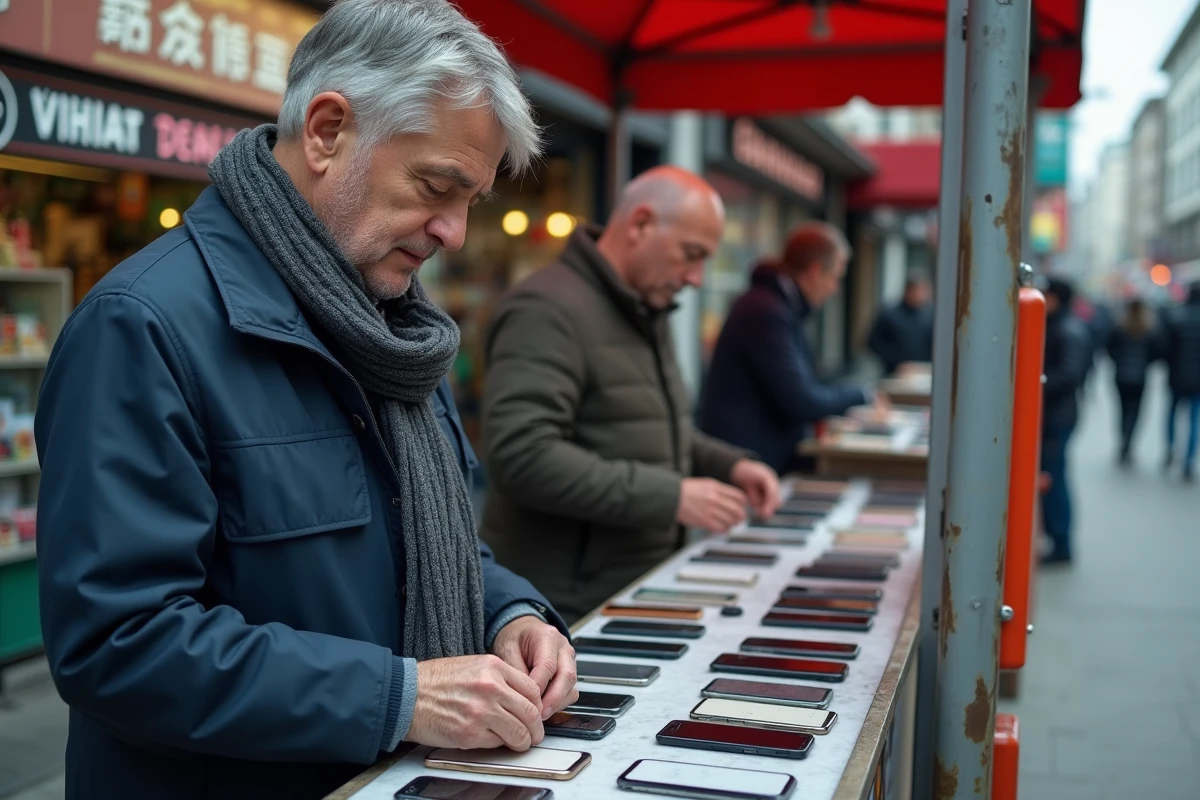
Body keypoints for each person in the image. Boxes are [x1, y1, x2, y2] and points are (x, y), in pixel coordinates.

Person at [34, 3, 577, 798]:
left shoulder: (400, 332)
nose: (454, 232)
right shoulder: (143, 326)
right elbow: (118, 642)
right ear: (326, 131)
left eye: (473, 201)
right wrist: (399, 698)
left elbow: (425, 543)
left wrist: (511, 616)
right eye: (437, 185)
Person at [479, 166, 781, 623]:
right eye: (691, 254)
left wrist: (730, 465)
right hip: (563, 609)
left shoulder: (643, 304)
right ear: (640, 224)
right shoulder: (546, 308)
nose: (697, 277)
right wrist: (673, 496)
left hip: (629, 589)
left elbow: (650, 428)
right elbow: (521, 454)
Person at [699, 221, 886, 476]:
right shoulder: (766, 311)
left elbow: (804, 385)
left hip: (756, 460)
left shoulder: (776, 305)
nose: (835, 289)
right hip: (748, 467)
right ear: (815, 271)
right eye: (835, 277)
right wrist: (862, 396)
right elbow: (800, 399)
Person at [1040, 277, 1092, 564]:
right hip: (1056, 414)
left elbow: (1069, 376)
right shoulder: (1062, 325)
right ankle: (1057, 539)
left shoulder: (1067, 330)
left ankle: (1061, 543)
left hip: (1057, 417)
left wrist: (1034, 383)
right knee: (1053, 476)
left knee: (1054, 478)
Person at [1106, 297, 1160, 466]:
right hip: (1139, 377)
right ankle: (1129, 442)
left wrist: (1119, 360)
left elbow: (1108, 347)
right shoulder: (1149, 328)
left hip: (1121, 375)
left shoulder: (1120, 326)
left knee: (1122, 410)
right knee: (1135, 412)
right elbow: (1158, 351)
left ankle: (1123, 439)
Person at [1161, 282, 1200, 481]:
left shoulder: (1176, 317)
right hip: (1197, 381)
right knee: (1194, 419)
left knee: (1171, 415)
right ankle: (1188, 461)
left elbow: (1166, 349)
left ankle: (1170, 450)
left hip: (1176, 376)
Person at [867, 272, 934, 376]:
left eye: (923, 291)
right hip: (894, 373)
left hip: (923, 373)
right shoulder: (890, 315)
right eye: (917, 290)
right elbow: (874, 344)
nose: (920, 294)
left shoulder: (929, 317)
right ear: (907, 290)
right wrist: (897, 362)